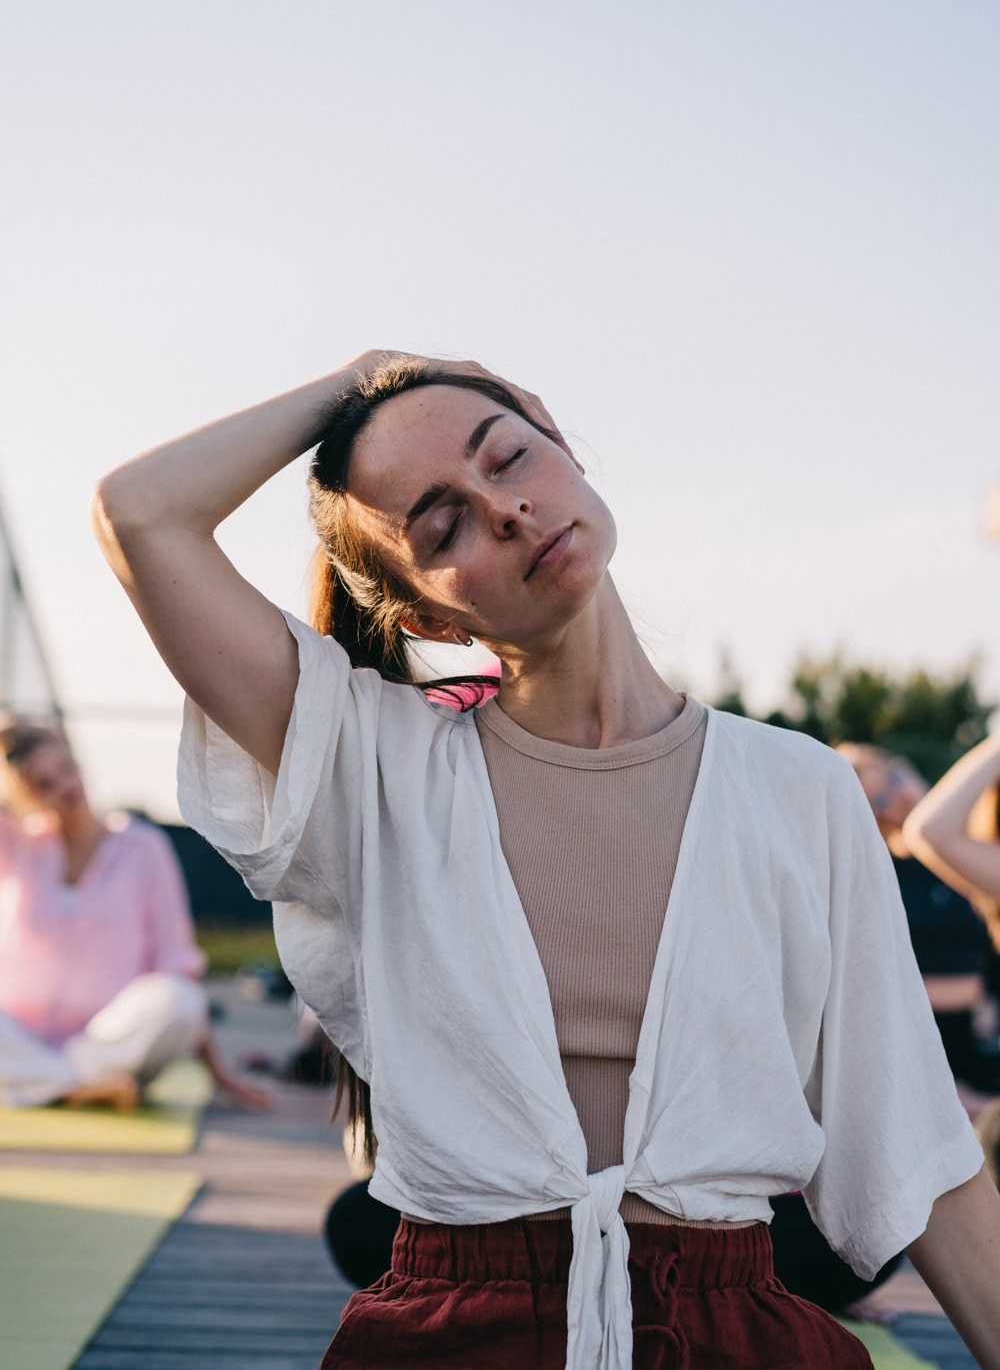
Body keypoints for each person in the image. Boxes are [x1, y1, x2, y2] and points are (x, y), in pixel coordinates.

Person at [92, 351, 1000, 1370]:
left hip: (734, 1328)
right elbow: (141, 514)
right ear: (427, 617)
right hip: (455, 1334)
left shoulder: (799, 787)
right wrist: (363, 377)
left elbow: (916, 1149)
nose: (506, 511)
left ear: (561, 443)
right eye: (443, 528)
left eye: (509, 457)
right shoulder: (374, 765)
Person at [0, 717, 266, 1110]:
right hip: (22, 1035)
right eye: (44, 784)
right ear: (23, 796)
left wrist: (217, 1071)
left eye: (66, 769)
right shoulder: (17, 847)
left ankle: (43, 1081)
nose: (65, 787)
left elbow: (178, 963)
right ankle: (76, 1087)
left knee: (182, 1000)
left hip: (116, 1043)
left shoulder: (144, 847)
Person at [838, 742, 1000, 1106]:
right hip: (930, 1052)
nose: (899, 795)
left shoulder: (978, 842)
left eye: (895, 777)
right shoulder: (881, 877)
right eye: (880, 799)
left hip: (986, 1039)